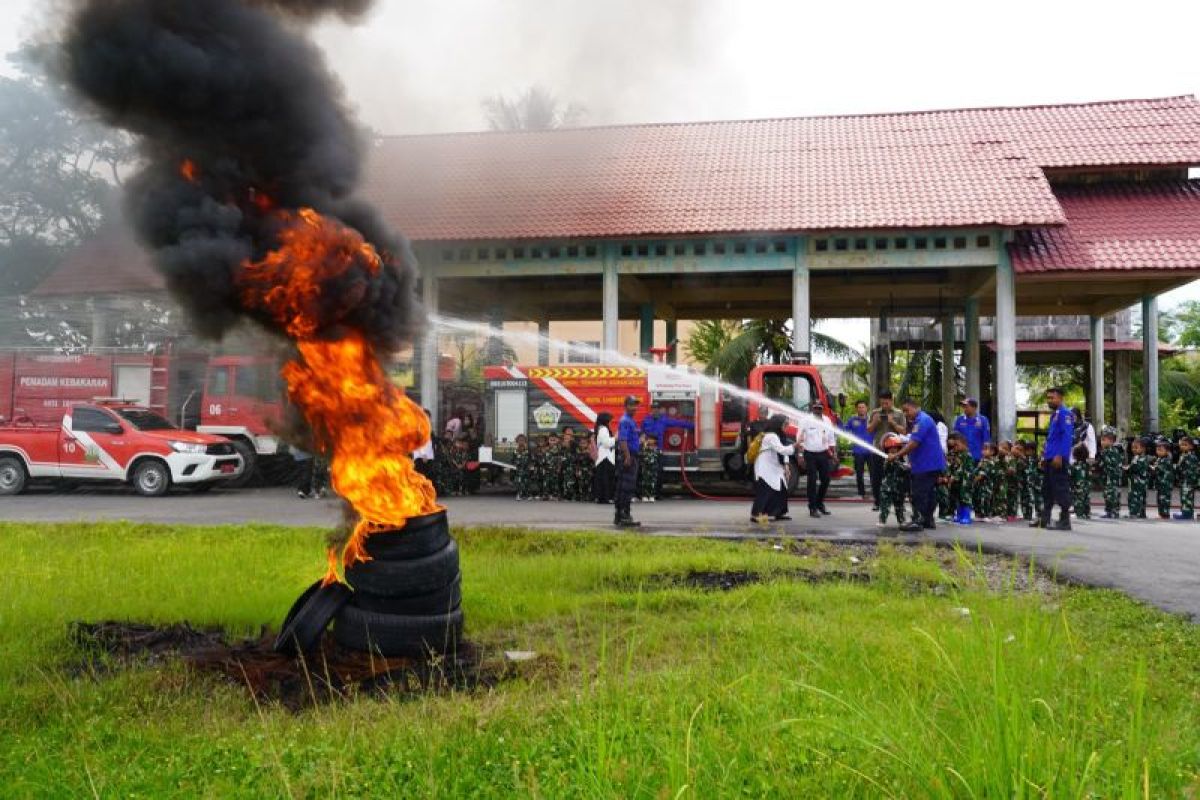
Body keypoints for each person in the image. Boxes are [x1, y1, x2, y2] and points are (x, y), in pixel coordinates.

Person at [889, 398, 946, 532]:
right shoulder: (919, 421)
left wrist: (896, 455)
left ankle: (918, 521)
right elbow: (912, 439)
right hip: (930, 463)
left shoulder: (922, 421)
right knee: (928, 493)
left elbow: (914, 443)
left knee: (918, 493)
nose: (905, 413)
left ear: (915, 407)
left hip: (926, 464)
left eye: (906, 410)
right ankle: (927, 520)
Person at [1033, 387, 1074, 530]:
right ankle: (1045, 519)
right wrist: (1045, 456)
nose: (1049, 400)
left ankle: (1065, 521)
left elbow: (1067, 437)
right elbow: (1052, 439)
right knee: (1047, 489)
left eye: (1052, 397)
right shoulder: (1055, 415)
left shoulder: (1065, 414)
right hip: (1050, 458)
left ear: (1060, 398)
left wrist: (1060, 455)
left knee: (1060, 488)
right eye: (1048, 398)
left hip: (1058, 459)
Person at [641, 401, 694, 496]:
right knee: (648, 472)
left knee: (659, 472)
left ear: (659, 410)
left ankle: (657, 493)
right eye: (653, 408)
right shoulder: (646, 420)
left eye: (657, 409)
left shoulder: (663, 420)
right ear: (651, 409)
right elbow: (642, 433)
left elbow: (678, 423)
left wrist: (693, 425)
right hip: (648, 450)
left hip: (659, 450)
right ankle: (646, 493)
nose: (655, 410)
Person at [750, 414, 796, 522]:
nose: (787, 426)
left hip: (773, 466)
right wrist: (795, 445)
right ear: (778, 424)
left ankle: (778, 513)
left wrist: (786, 465)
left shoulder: (779, 435)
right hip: (765, 467)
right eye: (785, 424)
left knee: (782, 489)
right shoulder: (771, 436)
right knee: (765, 490)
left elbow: (783, 451)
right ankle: (756, 515)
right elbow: (782, 450)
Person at [867, 391, 907, 510]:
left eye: (887, 402)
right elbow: (869, 429)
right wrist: (875, 421)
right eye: (882, 402)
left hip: (895, 451)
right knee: (876, 477)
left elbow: (904, 431)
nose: (884, 405)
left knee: (897, 477)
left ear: (891, 400)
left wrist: (892, 422)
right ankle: (877, 502)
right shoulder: (875, 412)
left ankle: (898, 502)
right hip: (879, 450)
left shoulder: (899, 414)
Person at [798, 402, 836, 518]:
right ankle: (812, 507)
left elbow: (831, 438)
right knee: (812, 481)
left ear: (822, 409)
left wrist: (834, 454)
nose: (818, 410)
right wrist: (800, 455)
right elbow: (800, 437)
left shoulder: (827, 420)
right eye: (815, 408)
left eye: (820, 408)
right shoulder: (805, 420)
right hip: (810, 454)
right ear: (812, 408)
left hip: (823, 453)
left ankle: (819, 503)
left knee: (826, 479)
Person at [614, 395, 642, 528]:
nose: (634, 407)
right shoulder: (625, 421)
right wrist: (627, 456)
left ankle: (620, 516)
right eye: (631, 405)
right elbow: (622, 440)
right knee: (627, 487)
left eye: (635, 405)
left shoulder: (630, 420)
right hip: (629, 457)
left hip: (631, 456)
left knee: (623, 487)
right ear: (625, 406)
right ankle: (624, 516)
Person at [876, 432, 909, 527]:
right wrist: (892, 460)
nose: (893, 450)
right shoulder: (887, 461)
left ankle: (901, 520)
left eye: (895, 448)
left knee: (899, 506)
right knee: (884, 506)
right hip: (887, 488)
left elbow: (905, 469)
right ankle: (882, 520)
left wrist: (898, 460)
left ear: (899, 449)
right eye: (890, 449)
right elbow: (886, 469)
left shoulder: (902, 461)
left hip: (899, 488)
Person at [843, 400, 872, 499]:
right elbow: (844, 430)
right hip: (858, 451)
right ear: (856, 409)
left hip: (870, 451)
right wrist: (838, 421)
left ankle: (875, 493)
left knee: (873, 473)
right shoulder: (852, 420)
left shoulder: (871, 420)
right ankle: (861, 493)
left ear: (866, 408)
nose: (861, 409)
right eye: (859, 407)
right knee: (859, 474)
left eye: (863, 407)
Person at [946, 431, 975, 525]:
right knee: (958, 497)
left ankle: (966, 516)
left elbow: (963, 468)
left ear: (964, 444)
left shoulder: (968, 455)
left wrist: (955, 476)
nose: (955, 448)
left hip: (966, 481)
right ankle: (959, 515)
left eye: (957, 445)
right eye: (954, 446)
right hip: (957, 481)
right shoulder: (955, 454)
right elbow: (951, 466)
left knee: (965, 498)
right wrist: (950, 476)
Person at [953, 398, 991, 462]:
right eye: (963, 406)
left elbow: (986, 439)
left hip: (978, 456)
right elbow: (955, 437)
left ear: (974, 408)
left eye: (966, 406)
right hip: (963, 457)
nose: (964, 408)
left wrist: (985, 456)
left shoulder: (983, 420)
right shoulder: (959, 420)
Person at [972, 440, 1002, 521]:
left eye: (986, 449)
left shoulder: (990, 462)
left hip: (986, 485)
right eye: (983, 449)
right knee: (978, 498)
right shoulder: (983, 461)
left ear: (992, 452)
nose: (983, 451)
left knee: (985, 499)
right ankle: (978, 515)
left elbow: (982, 474)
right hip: (979, 485)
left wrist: (974, 480)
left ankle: (985, 515)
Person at [1098, 428, 1124, 519]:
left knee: (1112, 495)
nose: (1102, 442)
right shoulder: (1105, 451)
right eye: (1102, 440)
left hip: (1112, 478)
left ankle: (1113, 511)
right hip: (1107, 477)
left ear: (1112, 441)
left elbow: (1112, 465)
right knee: (1107, 494)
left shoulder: (1112, 451)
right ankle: (1109, 511)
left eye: (1104, 440)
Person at [593, 412, 616, 504]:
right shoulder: (603, 429)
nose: (611, 422)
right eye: (610, 420)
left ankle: (603, 497)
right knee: (605, 479)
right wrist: (616, 438)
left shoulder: (601, 429)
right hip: (605, 457)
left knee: (603, 478)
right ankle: (605, 498)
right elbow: (607, 443)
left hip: (605, 457)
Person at [1173, 436, 1198, 520]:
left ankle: (1187, 514)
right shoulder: (1184, 455)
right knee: (1184, 497)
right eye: (1181, 445)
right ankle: (1184, 512)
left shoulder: (1191, 457)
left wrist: (1190, 481)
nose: (1182, 446)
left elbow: (1192, 470)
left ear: (1191, 446)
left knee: (1187, 497)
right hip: (1184, 480)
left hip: (1188, 481)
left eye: (1185, 445)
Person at [1125, 437, 1150, 519]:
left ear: (1143, 449)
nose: (1134, 449)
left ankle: (1135, 513)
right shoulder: (1137, 457)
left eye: (1136, 447)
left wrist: (1127, 468)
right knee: (1139, 497)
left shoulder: (1141, 458)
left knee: (1135, 497)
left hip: (1138, 482)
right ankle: (1141, 513)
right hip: (1137, 482)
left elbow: (1134, 468)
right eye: (1132, 447)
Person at [1153, 438, 1175, 520]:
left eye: (1161, 450)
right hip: (1160, 484)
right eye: (1157, 450)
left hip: (1165, 484)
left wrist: (1152, 468)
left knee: (1164, 500)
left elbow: (1158, 469)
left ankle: (1165, 514)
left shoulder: (1166, 460)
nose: (1158, 452)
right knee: (1160, 499)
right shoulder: (1160, 459)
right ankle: (1161, 514)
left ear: (1167, 451)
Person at [1070, 442, 1092, 520]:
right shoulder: (1087, 465)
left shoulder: (1074, 465)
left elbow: (1070, 475)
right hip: (1086, 486)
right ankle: (1086, 513)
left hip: (1078, 486)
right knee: (1086, 499)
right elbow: (1089, 475)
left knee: (1078, 500)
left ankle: (1079, 514)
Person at [639, 433, 660, 503]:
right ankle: (644, 495)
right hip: (645, 467)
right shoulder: (644, 447)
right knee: (644, 481)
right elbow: (642, 454)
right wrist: (644, 446)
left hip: (653, 467)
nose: (650, 441)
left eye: (652, 440)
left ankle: (652, 495)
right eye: (649, 439)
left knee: (653, 482)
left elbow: (656, 456)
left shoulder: (656, 448)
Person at [512, 434, 531, 500]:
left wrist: (530, 466)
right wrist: (516, 464)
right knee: (519, 483)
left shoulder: (527, 451)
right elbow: (513, 460)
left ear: (525, 441)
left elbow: (530, 459)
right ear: (517, 442)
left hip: (526, 470)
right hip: (519, 471)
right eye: (519, 440)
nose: (521, 442)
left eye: (523, 440)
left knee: (526, 482)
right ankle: (519, 495)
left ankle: (527, 495)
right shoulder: (515, 451)